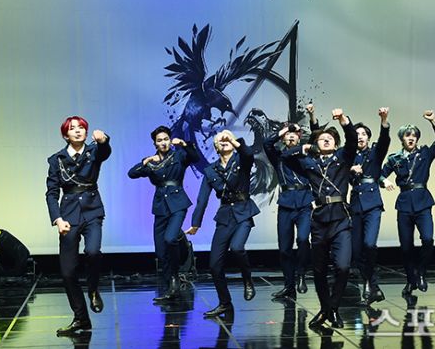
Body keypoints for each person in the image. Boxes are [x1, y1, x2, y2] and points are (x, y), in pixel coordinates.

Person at [282, 108, 357, 329]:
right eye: (322, 138)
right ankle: (326, 309)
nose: (326, 140)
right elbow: (285, 156)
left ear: (336, 143)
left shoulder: (343, 157)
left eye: (330, 138)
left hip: (341, 219)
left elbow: (352, 139)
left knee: (342, 267)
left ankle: (332, 308)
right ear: (316, 144)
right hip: (319, 220)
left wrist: (343, 120)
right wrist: (304, 147)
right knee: (319, 270)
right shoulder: (308, 163)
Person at [45, 116, 111, 336]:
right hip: (68, 215)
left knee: (93, 251)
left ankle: (93, 290)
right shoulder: (57, 159)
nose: (78, 130)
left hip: (92, 210)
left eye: (81, 127)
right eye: (72, 128)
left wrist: (104, 140)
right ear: (66, 135)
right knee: (67, 271)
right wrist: (57, 219)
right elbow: (51, 193)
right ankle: (81, 318)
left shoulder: (94, 151)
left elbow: (105, 151)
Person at [186, 130, 259, 317]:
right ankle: (225, 303)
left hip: (243, 212)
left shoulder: (241, 160)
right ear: (216, 147)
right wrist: (195, 223)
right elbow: (202, 198)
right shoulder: (211, 170)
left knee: (237, 247)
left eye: (227, 139)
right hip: (225, 215)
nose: (224, 141)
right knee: (214, 265)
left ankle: (247, 279)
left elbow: (248, 153)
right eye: (220, 140)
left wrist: (234, 140)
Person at [127, 125, 199, 302]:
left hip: (178, 203)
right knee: (161, 251)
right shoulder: (152, 162)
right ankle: (171, 288)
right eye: (159, 140)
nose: (163, 143)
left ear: (170, 140)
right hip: (160, 206)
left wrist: (184, 144)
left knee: (170, 238)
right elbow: (132, 173)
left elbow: (195, 157)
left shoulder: (179, 155)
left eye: (166, 139)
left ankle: (175, 277)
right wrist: (145, 161)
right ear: (155, 143)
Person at [380, 110, 435, 296]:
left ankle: (421, 272)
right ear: (401, 138)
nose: (411, 138)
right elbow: (379, 174)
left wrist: (433, 121)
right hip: (404, 203)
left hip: (423, 201)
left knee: (427, 239)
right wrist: (384, 181)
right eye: (407, 135)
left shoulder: (425, 153)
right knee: (406, 246)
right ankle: (410, 280)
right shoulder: (394, 158)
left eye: (414, 136)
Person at [262, 104, 318, 300]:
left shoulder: (306, 153)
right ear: (284, 138)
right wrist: (284, 129)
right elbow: (267, 143)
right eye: (288, 135)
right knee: (284, 248)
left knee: (303, 239)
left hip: (304, 202)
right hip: (286, 203)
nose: (291, 137)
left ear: (300, 137)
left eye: (295, 134)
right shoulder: (278, 156)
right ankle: (289, 285)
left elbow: (316, 137)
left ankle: (301, 273)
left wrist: (312, 115)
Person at [349, 107, 391, 306]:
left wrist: (384, 121)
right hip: (355, 204)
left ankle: (369, 284)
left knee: (369, 244)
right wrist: (350, 169)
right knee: (356, 251)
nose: (360, 137)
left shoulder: (375, 153)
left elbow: (384, 141)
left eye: (363, 134)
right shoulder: (348, 156)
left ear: (368, 137)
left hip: (373, 203)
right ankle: (373, 286)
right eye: (356, 134)